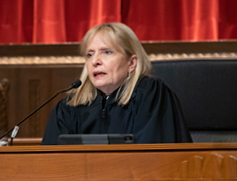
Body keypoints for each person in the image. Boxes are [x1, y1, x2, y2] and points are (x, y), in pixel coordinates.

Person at [42, 22, 192, 145]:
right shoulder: (69, 107)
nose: (95, 61)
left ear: (131, 63)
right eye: (90, 54)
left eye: (107, 52)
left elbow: (152, 157)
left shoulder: (150, 95)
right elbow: (50, 162)